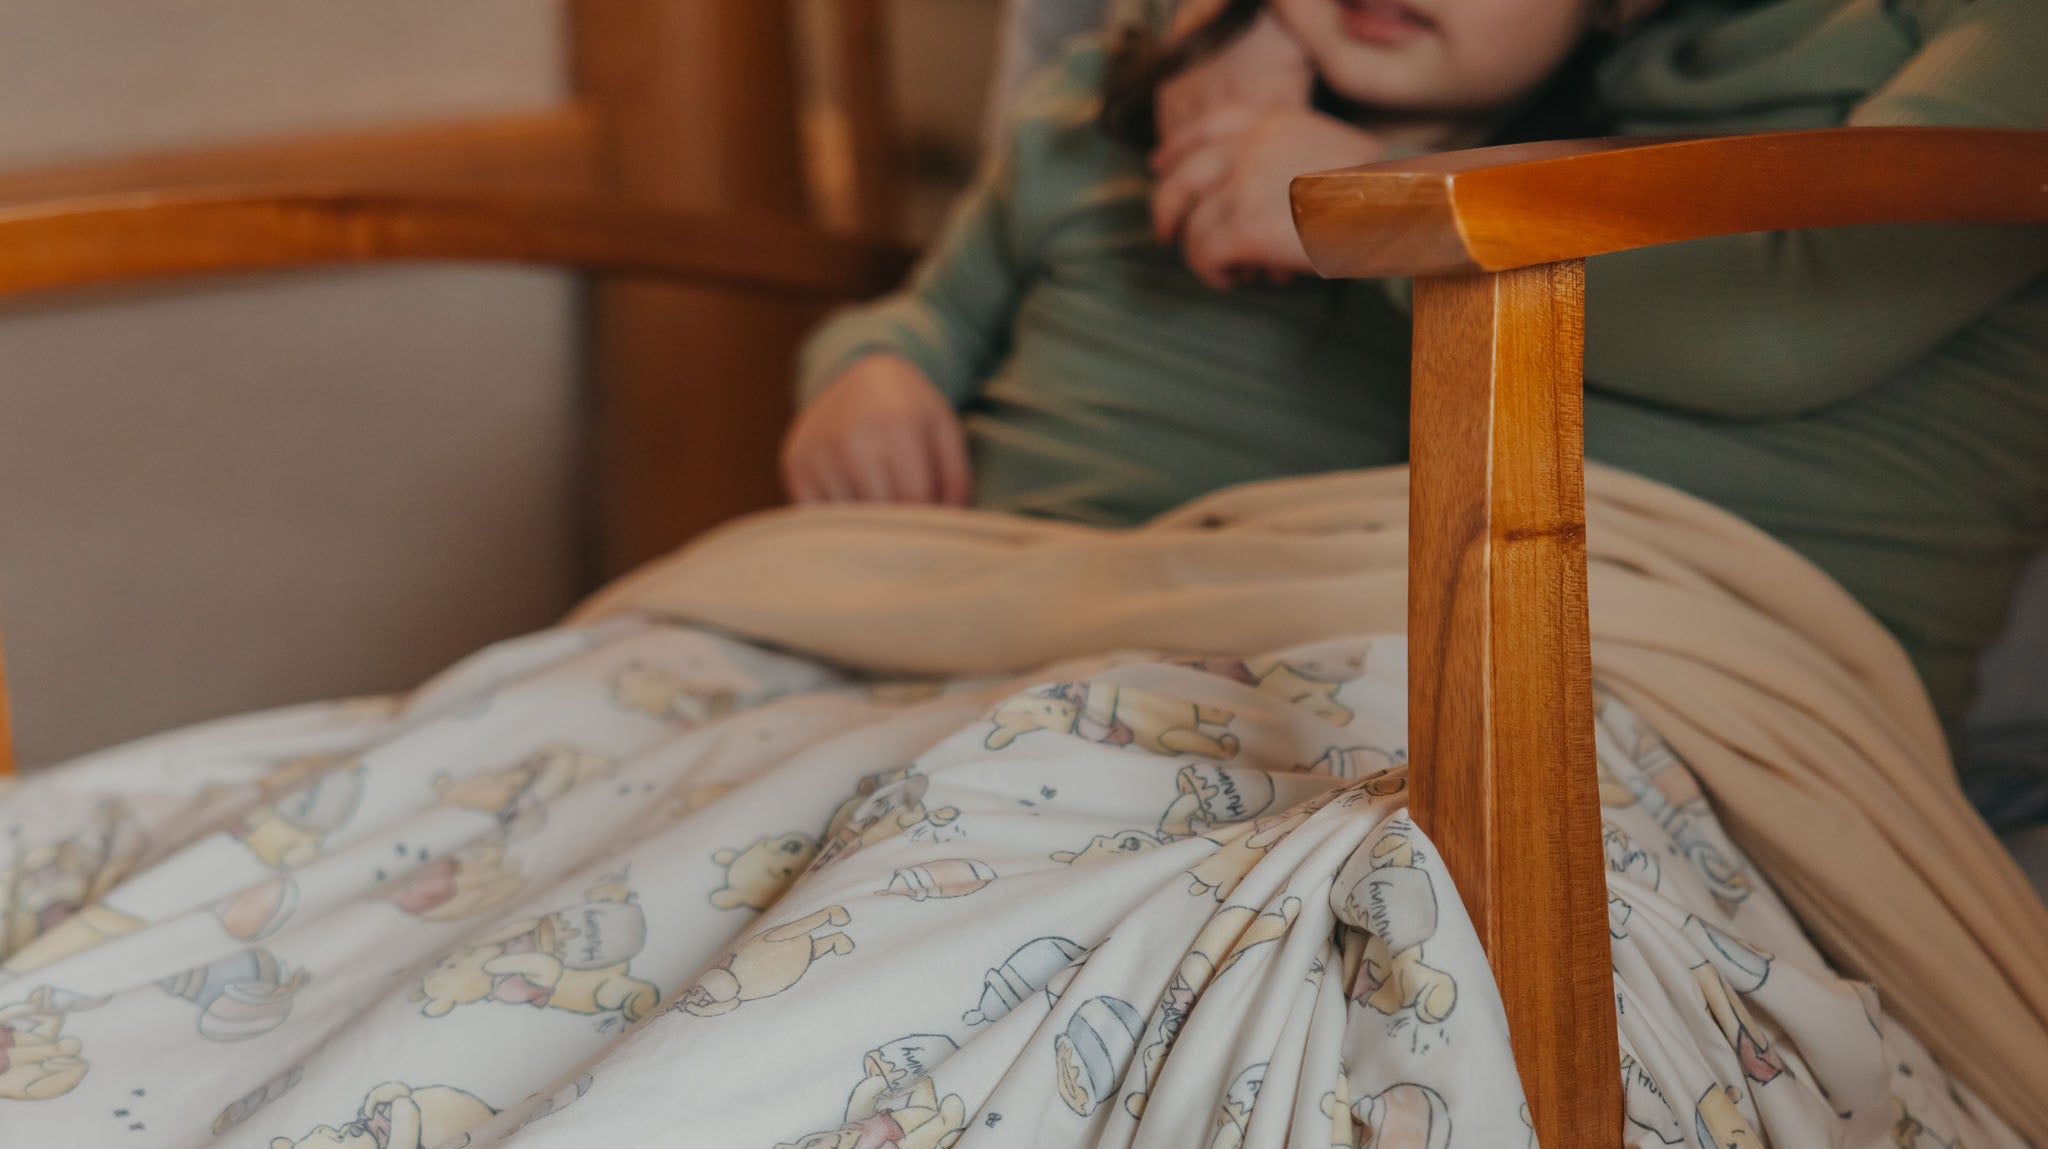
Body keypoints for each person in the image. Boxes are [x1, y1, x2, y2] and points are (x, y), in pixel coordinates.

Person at [785, 0, 2048, 742]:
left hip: (1578, 626)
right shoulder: (1156, 93)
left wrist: (1369, 204)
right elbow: (929, 313)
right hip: (1152, 596)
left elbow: (1780, 315)